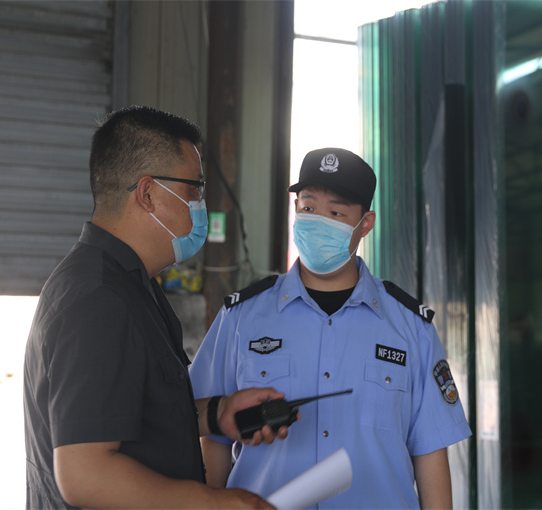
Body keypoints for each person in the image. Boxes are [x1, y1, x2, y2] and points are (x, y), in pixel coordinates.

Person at [23, 106, 292, 510]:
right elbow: (84, 474)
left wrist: (218, 413)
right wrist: (214, 503)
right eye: (194, 188)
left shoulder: (133, 285)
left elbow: (136, 415)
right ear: (148, 194)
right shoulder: (98, 298)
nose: (200, 203)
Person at [189, 147, 472, 509]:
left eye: (336, 213)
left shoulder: (411, 328)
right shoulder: (241, 318)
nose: (318, 221)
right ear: (295, 209)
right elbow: (211, 437)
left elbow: (430, 452)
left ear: (365, 224)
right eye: (308, 208)